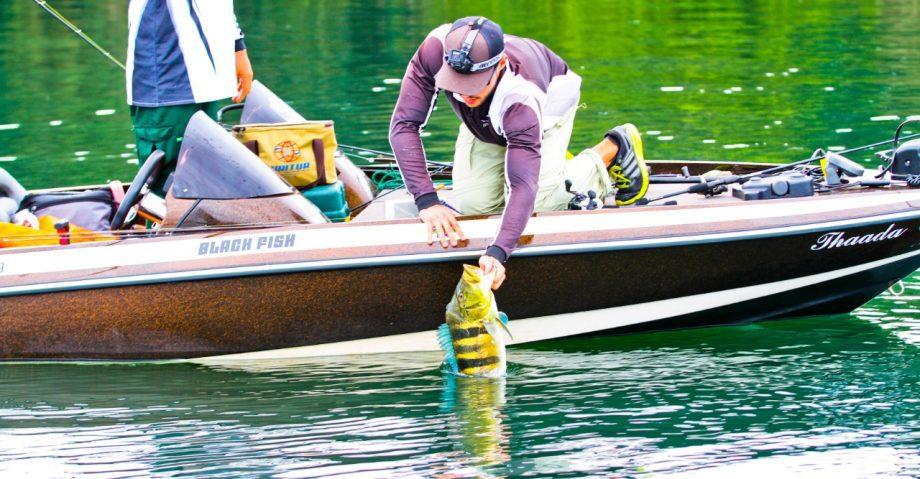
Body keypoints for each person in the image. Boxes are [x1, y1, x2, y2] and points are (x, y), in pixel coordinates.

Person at [389, 16, 648, 290]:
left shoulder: (522, 98)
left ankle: (612, 148)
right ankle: (547, 163)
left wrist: (499, 252)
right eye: (457, 83)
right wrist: (427, 201)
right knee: (472, 206)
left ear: (499, 65)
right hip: (487, 121)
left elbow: (523, 186)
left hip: (549, 100)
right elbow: (403, 125)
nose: (464, 94)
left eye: (473, 84)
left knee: (539, 203)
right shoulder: (434, 49)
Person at [126, 0, 254, 196]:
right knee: (167, 194)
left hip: (206, 84)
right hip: (166, 84)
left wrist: (238, 46)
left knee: (206, 185)